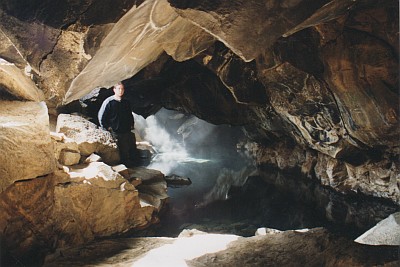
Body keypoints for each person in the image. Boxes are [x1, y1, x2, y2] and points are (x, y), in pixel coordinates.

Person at [98, 82, 138, 166]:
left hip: (126, 130)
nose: (121, 91)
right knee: (119, 151)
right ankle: (123, 168)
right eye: (119, 89)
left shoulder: (126, 102)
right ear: (114, 90)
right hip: (115, 131)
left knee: (129, 149)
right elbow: (101, 116)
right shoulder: (109, 102)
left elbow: (129, 114)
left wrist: (131, 124)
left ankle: (131, 166)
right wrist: (106, 128)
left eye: (122, 89)